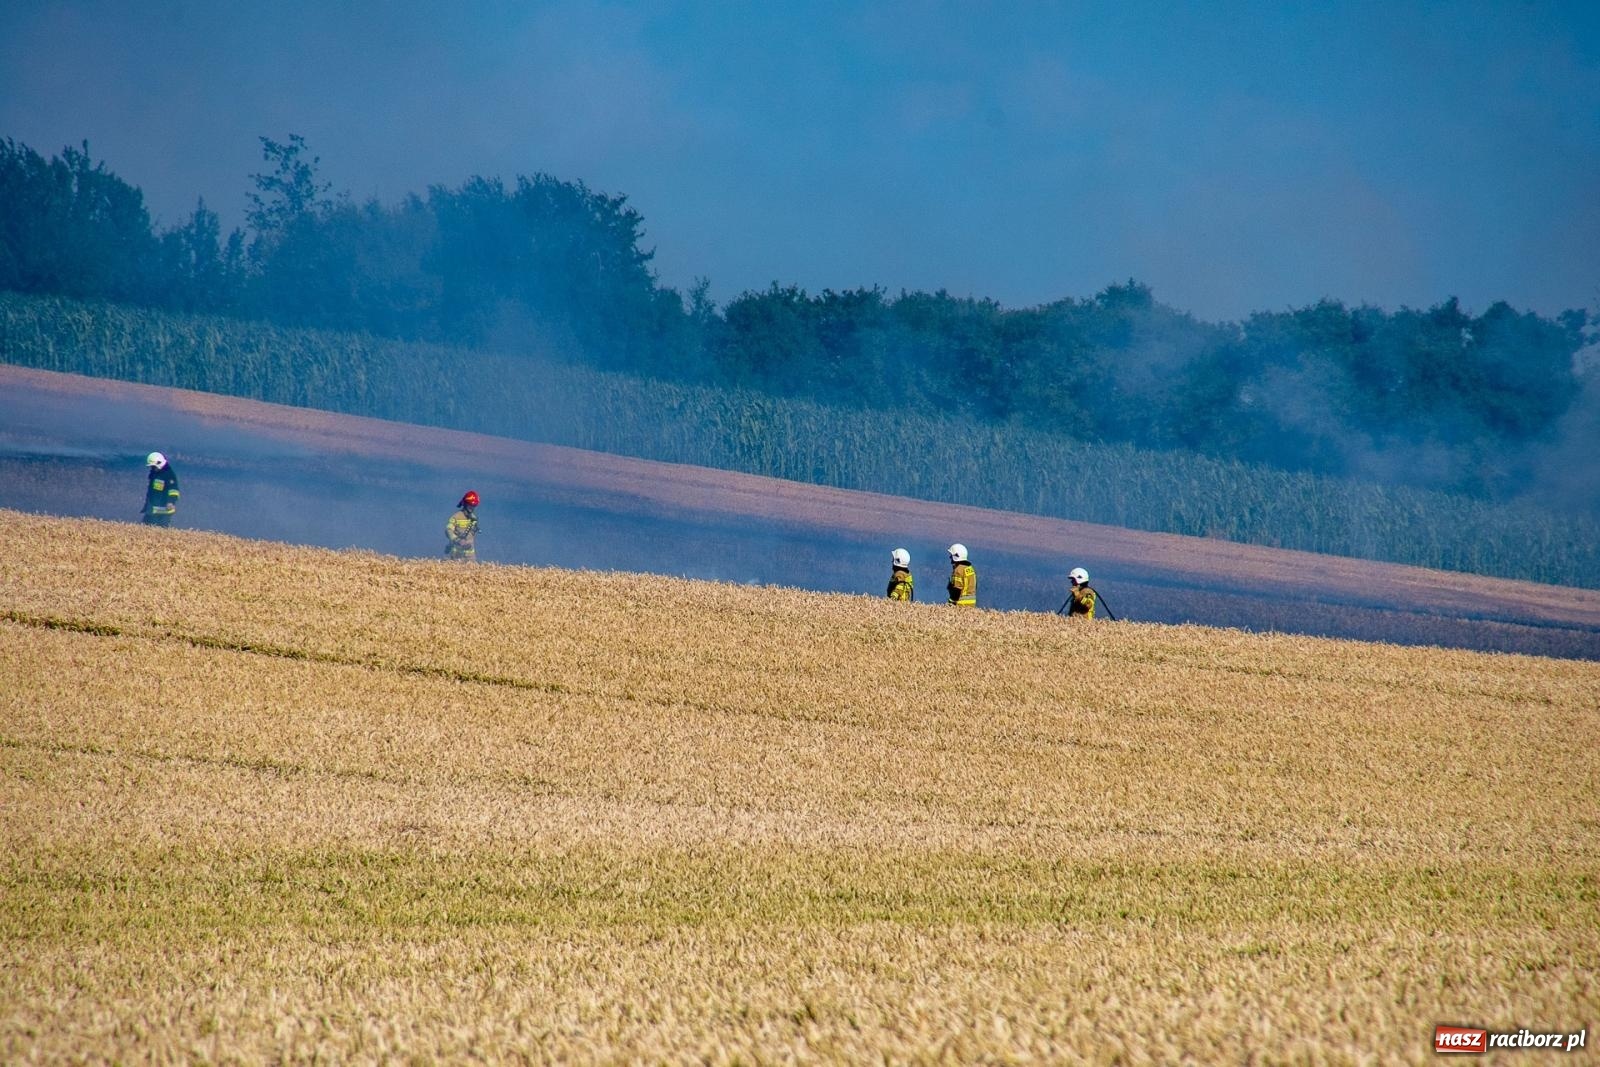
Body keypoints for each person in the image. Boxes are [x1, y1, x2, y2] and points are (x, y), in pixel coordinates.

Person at [142, 452, 180, 526]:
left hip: (164, 511)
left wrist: (171, 501)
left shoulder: (169, 474)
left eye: (153, 466)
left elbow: (174, 490)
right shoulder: (155, 473)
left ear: (159, 463)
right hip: (152, 509)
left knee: (160, 530)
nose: (152, 468)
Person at [446, 490, 480, 561]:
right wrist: (457, 540)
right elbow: (448, 530)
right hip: (456, 555)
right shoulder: (456, 517)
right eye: (470, 505)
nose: (472, 507)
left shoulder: (474, 518)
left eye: (473, 506)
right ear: (465, 504)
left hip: (470, 557)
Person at [946, 543, 977, 607]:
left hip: (961, 604)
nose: (950, 557)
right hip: (972, 603)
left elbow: (957, 589)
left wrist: (950, 603)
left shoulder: (958, 570)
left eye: (951, 555)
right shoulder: (970, 568)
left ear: (956, 556)